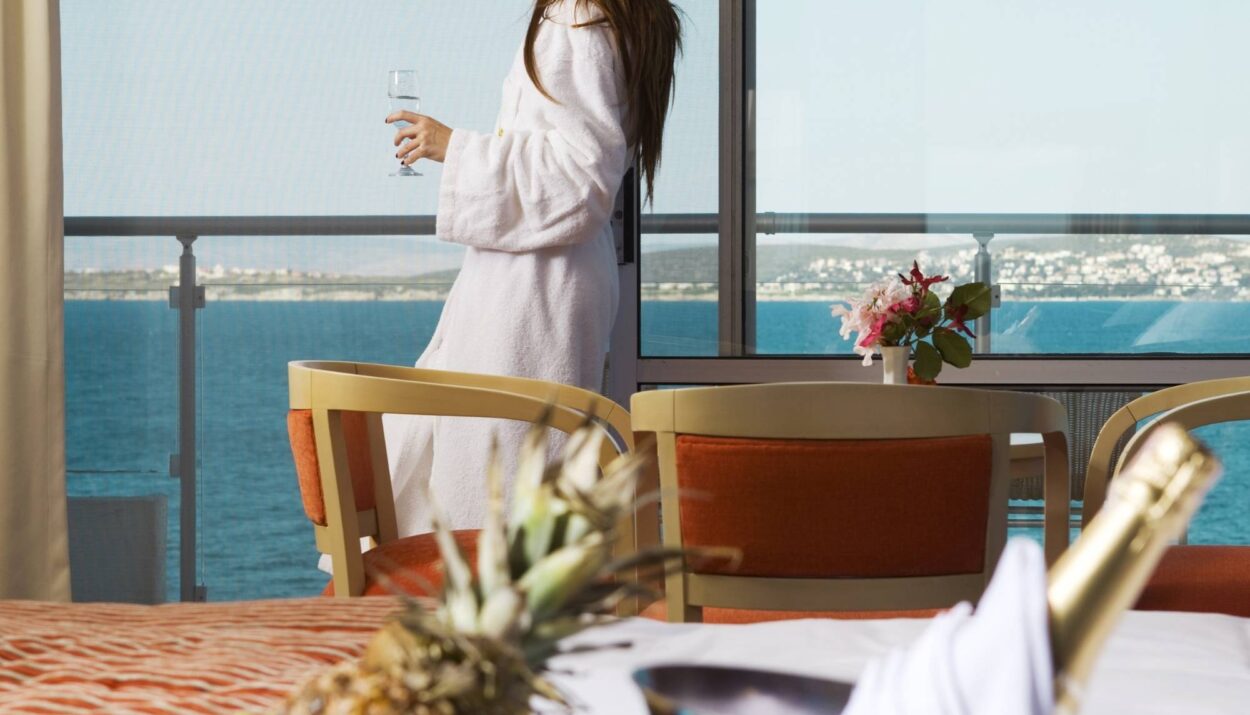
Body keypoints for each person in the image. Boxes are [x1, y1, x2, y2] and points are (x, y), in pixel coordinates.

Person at [381, 0, 682, 536]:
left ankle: (490, 580)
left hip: (537, 285)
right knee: (521, 460)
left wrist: (454, 147)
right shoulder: (617, 18)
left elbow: (581, 175)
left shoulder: (577, 19)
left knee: (502, 463)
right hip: (549, 275)